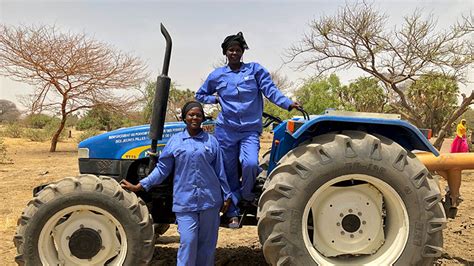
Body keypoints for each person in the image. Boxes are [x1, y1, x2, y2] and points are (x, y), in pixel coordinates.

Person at [195, 32, 300, 227]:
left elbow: (270, 91)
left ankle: (246, 196)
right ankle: (232, 213)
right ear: (225, 53)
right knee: (228, 170)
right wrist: (215, 99)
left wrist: (287, 104)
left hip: (250, 130)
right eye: (230, 50)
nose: (234, 53)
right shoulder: (217, 75)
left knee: (250, 163)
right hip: (226, 130)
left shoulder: (255, 70)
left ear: (242, 52)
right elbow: (200, 94)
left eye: (237, 50)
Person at [121, 101, 232, 266]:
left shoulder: (212, 142)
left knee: (207, 246)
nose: (195, 118)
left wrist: (227, 195)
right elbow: (162, 170)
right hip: (185, 202)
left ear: (203, 118)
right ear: (184, 118)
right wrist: (140, 185)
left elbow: (220, 171)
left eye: (198, 115)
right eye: (191, 115)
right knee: (188, 241)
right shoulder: (175, 141)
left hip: (210, 201)